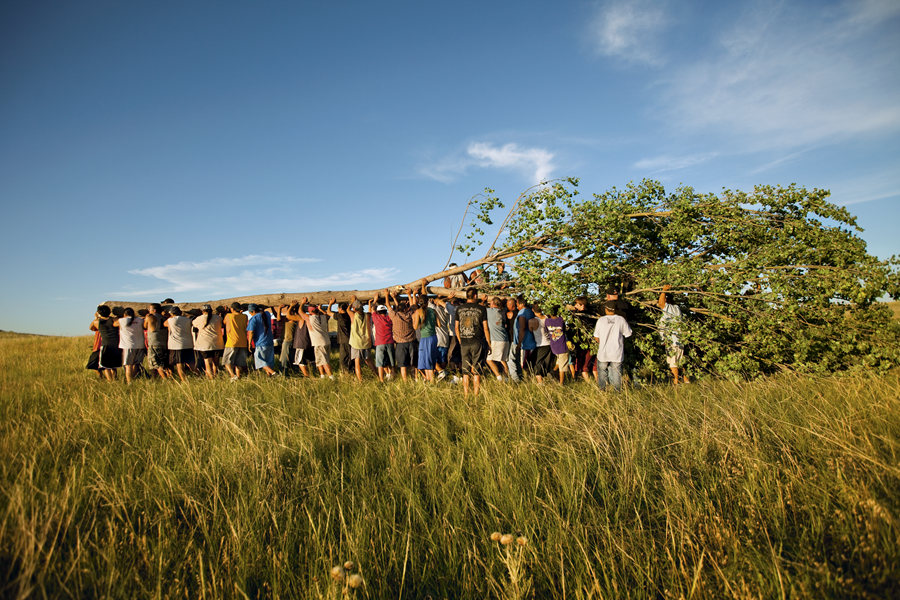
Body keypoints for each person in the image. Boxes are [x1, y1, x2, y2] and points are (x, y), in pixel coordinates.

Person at [454, 288, 490, 396]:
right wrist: (488, 342)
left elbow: (456, 328)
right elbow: (486, 328)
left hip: (464, 342)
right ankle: (476, 395)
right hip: (477, 342)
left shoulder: (459, 309)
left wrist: (460, 341)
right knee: (477, 370)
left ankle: (466, 395)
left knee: (465, 371)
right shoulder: (482, 309)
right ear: (475, 296)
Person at [593, 300, 633, 392]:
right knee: (616, 373)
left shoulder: (601, 320)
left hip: (603, 351)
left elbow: (596, 336)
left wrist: (601, 343)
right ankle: (617, 392)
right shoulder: (621, 319)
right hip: (616, 351)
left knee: (602, 372)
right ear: (615, 310)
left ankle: (603, 390)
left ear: (606, 309)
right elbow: (628, 333)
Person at [658, 284, 688, 385]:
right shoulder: (673, 309)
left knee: (673, 363)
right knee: (678, 361)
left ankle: (676, 382)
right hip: (674, 340)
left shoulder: (671, 308)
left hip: (674, 340)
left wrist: (663, 290)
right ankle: (685, 379)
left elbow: (661, 304)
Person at [388, 288, 419, 382]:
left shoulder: (395, 316)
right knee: (413, 364)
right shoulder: (409, 315)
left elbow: (389, 307)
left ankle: (405, 381)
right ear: (406, 309)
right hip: (411, 343)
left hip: (400, 344)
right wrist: (410, 295)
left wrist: (388, 296)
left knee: (402, 365)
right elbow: (413, 306)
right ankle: (415, 379)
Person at [302, 297, 335, 379]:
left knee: (324, 362)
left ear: (310, 311)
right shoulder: (323, 317)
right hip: (326, 341)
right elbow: (327, 315)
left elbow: (300, 312)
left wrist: (302, 303)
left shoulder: (311, 318)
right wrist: (322, 308)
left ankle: (332, 378)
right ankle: (322, 376)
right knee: (320, 360)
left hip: (319, 342)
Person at [413, 284, 440, 382]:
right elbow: (439, 325)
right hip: (434, 337)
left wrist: (415, 320)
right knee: (431, 361)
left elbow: (415, 327)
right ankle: (430, 380)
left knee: (426, 362)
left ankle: (431, 381)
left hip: (425, 338)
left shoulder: (418, 312)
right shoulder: (433, 311)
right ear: (428, 301)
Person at [165, 306, 197, 382]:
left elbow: (164, 324)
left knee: (179, 364)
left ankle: (184, 380)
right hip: (188, 344)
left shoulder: (170, 320)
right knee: (191, 363)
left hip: (176, 346)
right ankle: (198, 376)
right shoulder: (188, 320)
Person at [347, 296, 376, 381]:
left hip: (356, 343)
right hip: (366, 342)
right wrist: (370, 303)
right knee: (369, 361)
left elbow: (348, 310)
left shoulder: (353, 315)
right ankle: (377, 375)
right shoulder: (367, 315)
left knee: (357, 363)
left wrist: (352, 301)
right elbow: (370, 311)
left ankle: (360, 380)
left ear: (354, 309)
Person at [114, 307, 145, 383]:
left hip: (128, 346)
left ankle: (129, 382)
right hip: (140, 345)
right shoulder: (140, 320)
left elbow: (114, 324)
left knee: (128, 365)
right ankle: (134, 379)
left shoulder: (122, 320)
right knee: (135, 364)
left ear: (124, 314)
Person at [570, 296, 597, 383]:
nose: (576, 305)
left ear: (582, 305)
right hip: (589, 343)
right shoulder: (591, 315)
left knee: (583, 365)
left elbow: (573, 325)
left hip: (585, 343)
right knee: (589, 364)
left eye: (578, 304)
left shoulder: (582, 316)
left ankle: (587, 382)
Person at [193, 304, 224, 379]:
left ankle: (211, 378)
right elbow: (222, 326)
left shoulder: (199, 318)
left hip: (205, 344)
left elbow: (194, 324)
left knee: (208, 362)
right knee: (216, 362)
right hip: (217, 343)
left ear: (202, 311)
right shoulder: (219, 318)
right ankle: (216, 375)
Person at [246, 304, 278, 377]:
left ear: (253, 311)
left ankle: (274, 373)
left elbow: (251, 332)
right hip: (269, 342)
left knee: (260, 361)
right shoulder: (267, 314)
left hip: (260, 343)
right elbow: (265, 310)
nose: (250, 314)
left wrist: (249, 343)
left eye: (250, 312)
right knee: (268, 361)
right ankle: (270, 377)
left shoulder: (253, 319)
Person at [371, 291, 396, 382]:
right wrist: (387, 296)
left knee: (380, 364)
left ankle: (381, 380)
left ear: (378, 312)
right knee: (392, 362)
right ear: (385, 312)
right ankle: (393, 376)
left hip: (380, 343)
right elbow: (391, 310)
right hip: (390, 342)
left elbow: (372, 309)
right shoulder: (389, 318)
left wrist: (375, 299)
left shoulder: (376, 318)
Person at [91, 306, 120, 381]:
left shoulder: (97, 322)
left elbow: (91, 327)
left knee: (106, 367)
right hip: (115, 345)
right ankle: (115, 378)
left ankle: (110, 381)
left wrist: (96, 317)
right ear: (109, 312)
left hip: (105, 345)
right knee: (114, 365)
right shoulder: (114, 320)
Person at [324, 300, 352, 376]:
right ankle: (351, 372)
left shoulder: (340, 316)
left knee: (343, 359)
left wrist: (330, 303)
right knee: (350, 357)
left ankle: (345, 374)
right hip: (350, 339)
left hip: (344, 339)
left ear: (340, 308)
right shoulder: (349, 315)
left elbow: (328, 312)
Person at [528, 304, 554, 384]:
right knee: (547, 362)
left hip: (541, 344)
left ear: (532, 310)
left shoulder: (532, 321)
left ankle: (540, 382)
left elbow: (530, 331)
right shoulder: (548, 318)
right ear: (541, 310)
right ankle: (548, 377)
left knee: (536, 362)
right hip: (550, 343)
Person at [486, 297, 510, 381]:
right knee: (502, 360)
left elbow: (481, 307)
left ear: (492, 303)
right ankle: (506, 378)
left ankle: (498, 377)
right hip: (505, 338)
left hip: (496, 339)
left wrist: (484, 300)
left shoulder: (489, 311)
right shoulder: (503, 311)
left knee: (488, 359)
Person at [223, 302, 249, 381]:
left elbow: (224, 322)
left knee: (226, 361)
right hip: (243, 342)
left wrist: (225, 311)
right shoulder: (245, 316)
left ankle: (232, 375)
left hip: (232, 342)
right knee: (239, 362)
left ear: (232, 309)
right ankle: (238, 377)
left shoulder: (229, 316)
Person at [543, 308, 569, 385]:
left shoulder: (547, 321)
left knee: (559, 360)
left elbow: (546, 331)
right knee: (562, 367)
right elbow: (565, 328)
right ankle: (561, 383)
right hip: (562, 345)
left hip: (553, 346)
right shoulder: (561, 319)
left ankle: (553, 372)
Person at [143, 303, 170, 379]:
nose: (149, 311)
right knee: (163, 363)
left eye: (149, 310)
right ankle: (155, 378)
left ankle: (165, 379)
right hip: (164, 342)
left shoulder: (151, 317)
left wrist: (146, 317)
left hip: (154, 343)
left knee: (155, 364)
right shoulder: (165, 318)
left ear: (154, 310)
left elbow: (144, 326)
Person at [515, 296, 536, 378]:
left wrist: (519, 342)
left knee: (525, 364)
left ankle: (529, 380)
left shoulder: (522, 313)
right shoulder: (531, 311)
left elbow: (522, 327)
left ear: (522, 304)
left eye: (517, 303)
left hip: (526, 343)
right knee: (530, 363)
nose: (517, 306)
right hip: (533, 341)